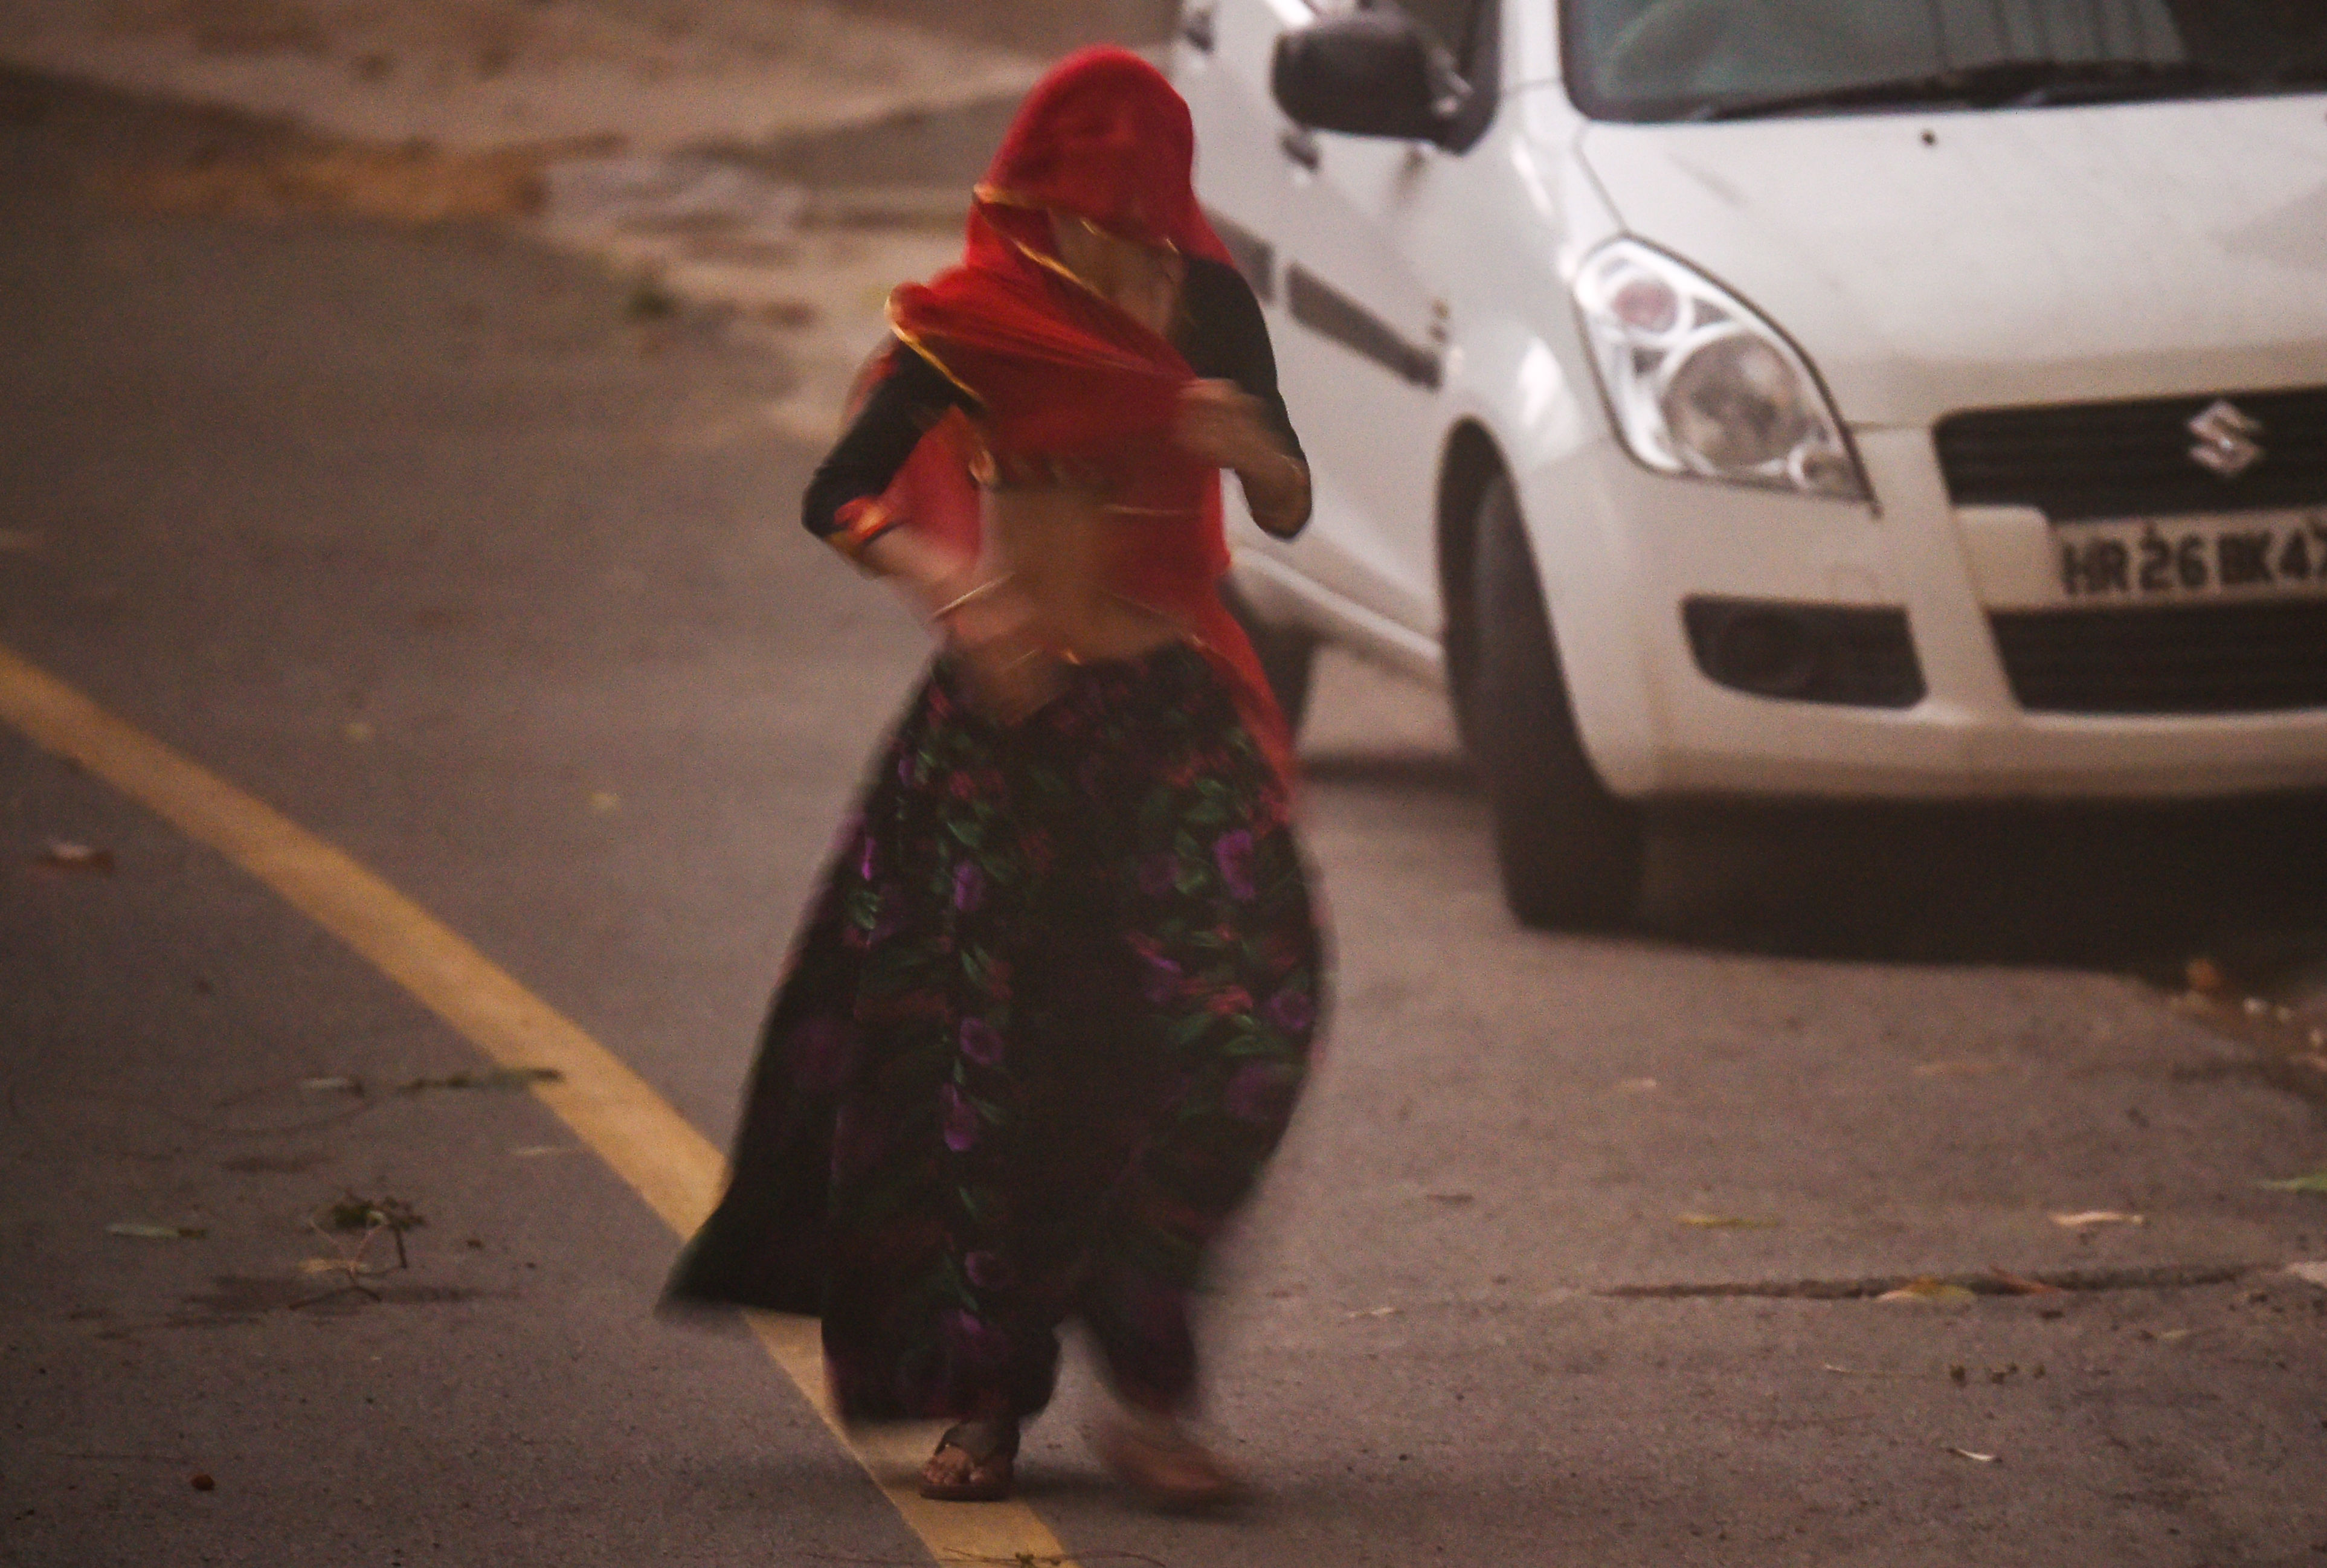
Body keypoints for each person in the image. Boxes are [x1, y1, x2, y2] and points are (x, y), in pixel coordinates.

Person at [663, 48, 1325, 1509]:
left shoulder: (1211, 304)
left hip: (1176, 724)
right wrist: (953, 587)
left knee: (1255, 1012)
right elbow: (836, 490)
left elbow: (1288, 495)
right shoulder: (970, 325)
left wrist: (1250, 451)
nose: (1109, 248)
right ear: (1026, 201)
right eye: (1079, 216)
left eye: (1136, 219)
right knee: (987, 1061)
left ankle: (1147, 1352)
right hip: (1002, 745)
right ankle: (989, 1401)